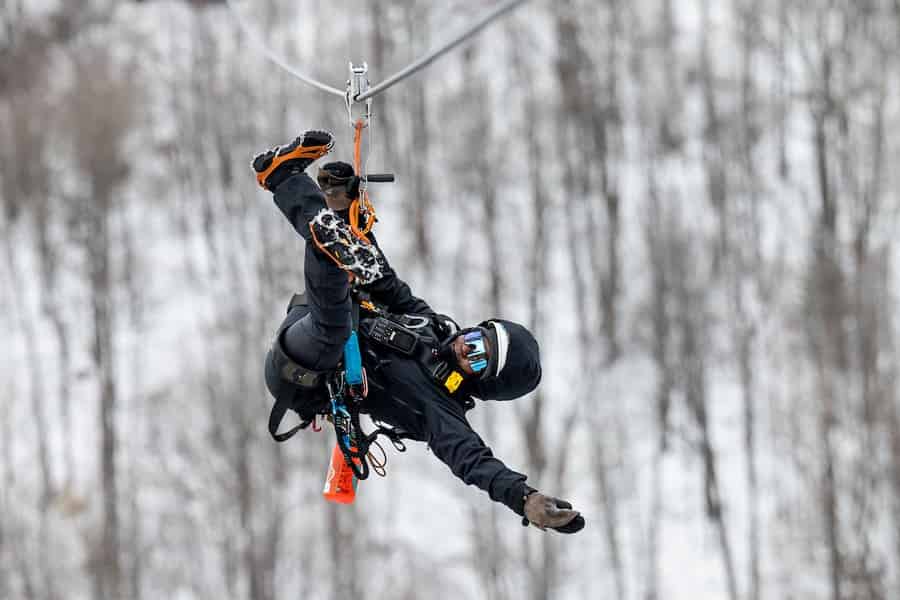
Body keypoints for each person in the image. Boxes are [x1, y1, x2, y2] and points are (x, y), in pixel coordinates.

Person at [255, 130, 584, 534]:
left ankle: (292, 190)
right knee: (359, 273)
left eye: (479, 359)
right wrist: (346, 204)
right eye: (478, 338)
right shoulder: (430, 325)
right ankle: (327, 216)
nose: (467, 347)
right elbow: (383, 283)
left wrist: (524, 498)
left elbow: (473, 460)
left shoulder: (440, 409)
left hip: (306, 371)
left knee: (335, 324)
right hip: (311, 322)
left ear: (482, 383)